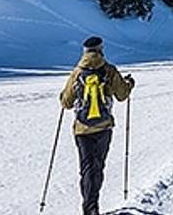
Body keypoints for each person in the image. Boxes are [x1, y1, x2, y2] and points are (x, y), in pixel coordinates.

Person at [59, 36, 135, 215]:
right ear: (101, 50)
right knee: (98, 166)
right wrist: (130, 84)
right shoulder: (109, 70)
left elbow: (66, 103)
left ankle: (89, 208)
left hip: (81, 129)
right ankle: (92, 207)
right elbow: (122, 95)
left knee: (86, 168)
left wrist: (63, 95)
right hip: (103, 127)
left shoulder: (77, 72)